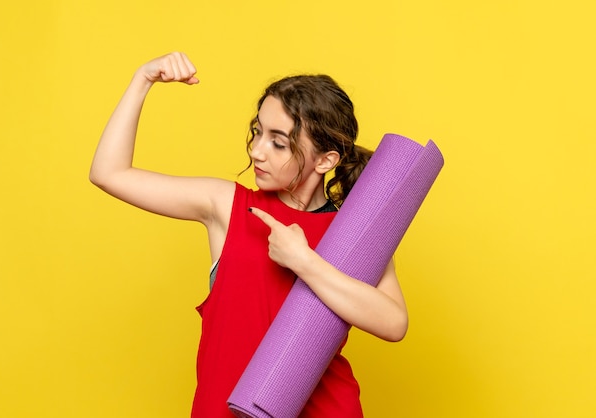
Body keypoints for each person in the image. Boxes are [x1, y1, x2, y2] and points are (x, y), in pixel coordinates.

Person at [90, 51, 408, 417]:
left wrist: (303, 261)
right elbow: (108, 173)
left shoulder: (355, 233)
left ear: (325, 160)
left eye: (278, 142)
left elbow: (394, 323)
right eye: (258, 132)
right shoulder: (226, 206)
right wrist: (142, 80)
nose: (257, 151)